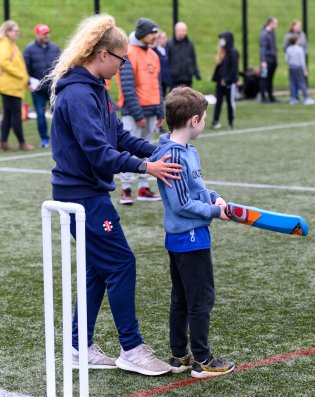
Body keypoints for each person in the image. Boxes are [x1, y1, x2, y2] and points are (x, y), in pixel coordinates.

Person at [46, 13, 182, 375]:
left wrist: (155, 151)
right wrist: (145, 168)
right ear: (104, 54)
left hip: (89, 192)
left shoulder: (97, 89)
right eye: (122, 60)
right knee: (121, 263)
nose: (123, 66)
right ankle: (131, 348)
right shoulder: (77, 93)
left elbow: (118, 138)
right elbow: (97, 151)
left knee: (98, 269)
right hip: (81, 196)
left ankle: (78, 347)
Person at [149, 86, 235, 378]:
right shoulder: (173, 156)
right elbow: (183, 203)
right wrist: (214, 211)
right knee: (199, 299)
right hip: (189, 237)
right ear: (194, 120)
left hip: (187, 236)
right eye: (205, 117)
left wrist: (214, 197)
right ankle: (202, 360)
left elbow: (196, 188)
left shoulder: (187, 151)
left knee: (183, 298)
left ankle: (178, 357)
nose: (205, 122)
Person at [116, 18, 164, 204]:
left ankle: (144, 188)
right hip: (135, 113)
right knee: (129, 151)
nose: (155, 36)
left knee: (148, 150)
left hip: (151, 111)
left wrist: (160, 111)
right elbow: (128, 87)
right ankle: (126, 189)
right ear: (143, 34)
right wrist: (138, 114)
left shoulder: (153, 54)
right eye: (152, 33)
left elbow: (157, 85)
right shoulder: (128, 53)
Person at [24, 23, 61, 148]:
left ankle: (59, 138)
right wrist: (28, 83)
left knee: (58, 113)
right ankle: (44, 139)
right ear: (37, 34)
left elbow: (61, 65)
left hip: (53, 88)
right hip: (38, 89)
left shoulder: (55, 48)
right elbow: (25, 69)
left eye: (47, 33)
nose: (46, 35)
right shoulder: (29, 50)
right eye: (44, 33)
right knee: (40, 115)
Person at [0, 20, 33, 151]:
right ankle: (22, 142)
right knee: (15, 115)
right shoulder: (5, 45)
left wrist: (24, 79)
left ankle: (3, 142)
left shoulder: (10, 44)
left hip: (11, 86)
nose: (17, 33)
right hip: (10, 86)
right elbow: (3, 62)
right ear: (7, 32)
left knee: (8, 115)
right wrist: (21, 74)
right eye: (15, 31)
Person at [211, 32, 239, 130]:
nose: (221, 41)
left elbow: (234, 69)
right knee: (218, 101)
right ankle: (215, 121)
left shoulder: (233, 52)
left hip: (229, 83)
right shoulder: (222, 52)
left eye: (223, 39)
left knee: (230, 102)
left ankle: (231, 121)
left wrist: (227, 80)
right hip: (220, 82)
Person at [167, 22, 201, 88]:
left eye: (184, 30)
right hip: (174, 78)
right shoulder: (169, 44)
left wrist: (197, 74)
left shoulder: (190, 44)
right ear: (176, 31)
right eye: (181, 30)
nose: (183, 33)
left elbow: (193, 59)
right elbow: (167, 59)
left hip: (187, 77)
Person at [284, 36, 315, 105]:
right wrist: (305, 69)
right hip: (298, 67)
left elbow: (286, 59)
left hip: (291, 67)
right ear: (295, 41)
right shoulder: (299, 49)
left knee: (292, 83)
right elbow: (302, 61)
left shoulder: (288, 49)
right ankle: (306, 98)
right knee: (301, 82)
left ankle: (293, 99)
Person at [259, 17, 278, 103]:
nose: (276, 25)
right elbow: (263, 48)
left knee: (270, 79)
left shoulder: (272, 33)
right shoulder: (264, 34)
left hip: (273, 60)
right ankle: (263, 97)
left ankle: (270, 96)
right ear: (270, 23)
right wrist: (263, 61)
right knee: (264, 79)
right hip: (267, 61)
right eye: (275, 23)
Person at [153, 31, 172, 98]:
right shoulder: (154, 51)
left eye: (165, 38)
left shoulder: (166, 50)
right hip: (158, 80)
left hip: (166, 79)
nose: (165, 40)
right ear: (158, 39)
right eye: (163, 38)